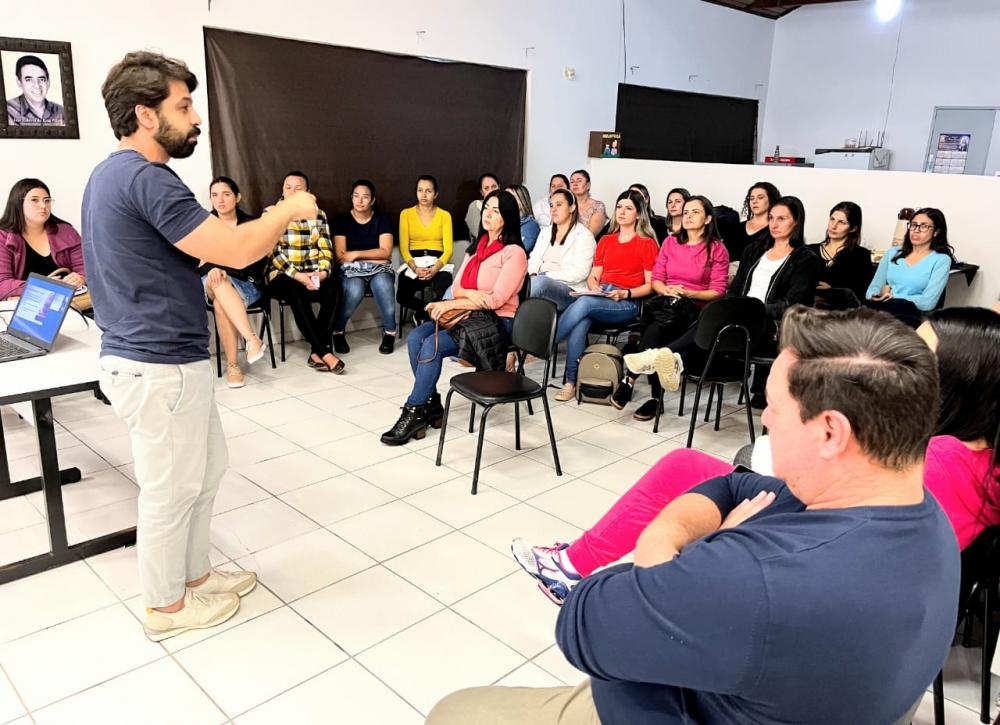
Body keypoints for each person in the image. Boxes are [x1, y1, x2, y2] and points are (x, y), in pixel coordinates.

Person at [430, 306, 959, 725]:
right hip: (736, 683)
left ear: (830, 432)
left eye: (773, 405)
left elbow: (582, 623)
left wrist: (691, 547)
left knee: (455, 712)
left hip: (667, 698)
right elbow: (734, 483)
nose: (764, 417)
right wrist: (671, 536)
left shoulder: (760, 578)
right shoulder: (918, 513)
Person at [512, 305, 1000, 605]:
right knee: (691, 466)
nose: (906, 367)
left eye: (921, 359)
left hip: (810, 537)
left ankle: (577, 571)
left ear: (959, 380)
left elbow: (842, 531)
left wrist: (722, 538)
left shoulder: (940, 461)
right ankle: (578, 562)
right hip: (823, 520)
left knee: (692, 479)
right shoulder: (969, 452)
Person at [83, 51, 319, 640]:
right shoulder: (143, 176)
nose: (195, 119)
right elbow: (236, 249)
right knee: (169, 489)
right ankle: (165, 607)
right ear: (144, 114)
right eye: (183, 107)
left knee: (205, 472)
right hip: (155, 363)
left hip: (168, 359)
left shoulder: (116, 175)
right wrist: (288, 209)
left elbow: (174, 255)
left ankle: (193, 578)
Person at [381, 190, 527, 445]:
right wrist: (472, 297)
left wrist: (466, 300)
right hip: (468, 314)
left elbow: (495, 301)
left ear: (508, 217)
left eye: (496, 210)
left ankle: (414, 410)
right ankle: (432, 404)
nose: (488, 215)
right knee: (416, 336)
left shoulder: (514, 253)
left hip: (497, 322)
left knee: (432, 344)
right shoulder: (475, 249)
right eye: (487, 209)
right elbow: (457, 287)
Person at [612, 195, 729, 420]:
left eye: (695, 212)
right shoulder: (671, 242)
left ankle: (632, 377)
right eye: (686, 212)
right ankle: (656, 398)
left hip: (697, 310)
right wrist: (666, 290)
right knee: (652, 334)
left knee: (659, 345)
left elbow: (718, 290)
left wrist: (688, 292)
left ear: (707, 219)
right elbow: (656, 279)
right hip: (670, 305)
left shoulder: (716, 248)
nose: (688, 216)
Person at [552, 189, 658, 402]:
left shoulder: (646, 243)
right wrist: (595, 287)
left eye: (628, 208)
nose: (622, 212)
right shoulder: (607, 240)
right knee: (581, 320)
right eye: (619, 207)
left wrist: (625, 293)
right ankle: (571, 382)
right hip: (601, 295)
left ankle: (545, 344)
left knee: (584, 304)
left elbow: (651, 285)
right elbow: (594, 276)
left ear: (638, 214)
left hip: (627, 301)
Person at [265, 171, 344, 373]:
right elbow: (273, 254)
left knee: (333, 290)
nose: (292, 192)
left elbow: (326, 248)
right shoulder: (271, 213)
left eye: (298, 188)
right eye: (288, 187)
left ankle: (316, 354)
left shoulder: (319, 215)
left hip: (313, 274)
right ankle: (323, 351)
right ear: (282, 190)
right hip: (282, 276)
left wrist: (323, 274)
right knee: (295, 291)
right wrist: (298, 276)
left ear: (307, 192)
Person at [198, 176, 266, 388]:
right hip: (208, 282)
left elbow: (256, 261)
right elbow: (196, 261)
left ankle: (234, 367)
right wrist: (215, 269)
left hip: (246, 284)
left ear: (237, 197)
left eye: (226, 194)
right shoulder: (203, 225)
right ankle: (251, 339)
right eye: (215, 195)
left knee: (221, 300)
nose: (220, 200)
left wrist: (222, 269)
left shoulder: (252, 224)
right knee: (216, 281)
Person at [331, 179, 396, 355]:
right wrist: (375, 257)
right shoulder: (341, 220)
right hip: (350, 272)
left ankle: (390, 332)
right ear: (351, 198)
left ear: (372, 200)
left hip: (379, 272)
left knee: (384, 284)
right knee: (354, 290)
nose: (360, 201)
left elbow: (386, 253)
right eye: (356, 196)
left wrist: (357, 254)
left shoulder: (382, 219)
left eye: (365, 197)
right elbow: (342, 256)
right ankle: (338, 331)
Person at [865, 207, 953, 327]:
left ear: (936, 232)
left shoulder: (941, 260)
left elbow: (928, 302)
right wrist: (876, 296)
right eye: (913, 225)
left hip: (910, 314)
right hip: (883, 306)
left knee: (900, 305)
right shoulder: (892, 253)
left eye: (923, 226)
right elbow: (873, 288)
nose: (916, 230)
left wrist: (892, 295)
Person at [0, 178, 85, 299]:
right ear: (17, 204)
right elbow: (2, 284)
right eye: (35, 200)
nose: (43, 205)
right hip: (27, 307)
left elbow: (86, 268)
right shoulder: (2, 237)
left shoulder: (67, 231)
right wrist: (41, 286)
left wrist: (80, 277)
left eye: (47, 200)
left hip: (71, 302)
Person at [397, 175, 454, 324]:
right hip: (415, 262)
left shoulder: (444, 215)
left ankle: (427, 315)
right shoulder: (406, 214)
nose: (423, 195)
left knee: (446, 289)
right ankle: (425, 312)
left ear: (435, 194)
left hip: (437, 262)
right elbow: (404, 248)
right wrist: (415, 268)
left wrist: (435, 269)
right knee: (402, 294)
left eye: (428, 191)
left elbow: (448, 250)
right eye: (420, 190)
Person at [527, 188, 596, 312]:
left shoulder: (584, 236)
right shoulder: (545, 232)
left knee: (539, 284)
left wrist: (546, 276)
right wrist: (532, 273)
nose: (553, 209)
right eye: (551, 205)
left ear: (572, 208)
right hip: (539, 280)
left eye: (559, 205)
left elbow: (580, 272)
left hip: (570, 289)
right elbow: (534, 258)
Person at [805, 201, 873, 308]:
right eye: (832, 219)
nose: (833, 226)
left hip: (841, 315)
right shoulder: (809, 250)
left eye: (841, 222)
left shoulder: (861, 255)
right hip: (807, 309)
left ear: (853, 228)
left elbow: (859, 294)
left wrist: (832, 291)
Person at [723, 181, 780, 260]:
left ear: (771, 200)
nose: (754, 201)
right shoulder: (736, 227)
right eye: (751, 198)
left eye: (760, 197)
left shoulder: (775, 231)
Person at [5, 55, 65, 126]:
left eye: (42, 79)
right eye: (29, 80)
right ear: (19, 83)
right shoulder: (8, 110)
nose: (37, 86)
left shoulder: (60, 111)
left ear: (48, 82)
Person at [569, 169, 607, 238]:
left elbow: (590, 235)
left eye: (579, 181)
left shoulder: (598, 206)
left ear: (588, 185)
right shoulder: (566, 205)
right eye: (572, 182)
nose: (575, 184)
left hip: (586, 245)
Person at [464, 172, 500, 241]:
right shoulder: (475, 206)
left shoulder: (506, 205)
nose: (491, 191)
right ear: (481, 192)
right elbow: (481, 235)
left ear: (499, 187)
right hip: (481, 249)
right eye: (486, 188)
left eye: (494, 187)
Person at [506, 184, 540, 253]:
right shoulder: (504, 222)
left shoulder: (531, 226)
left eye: (512, 197)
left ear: (522, 200)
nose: (506, 201)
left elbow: (517, 253)